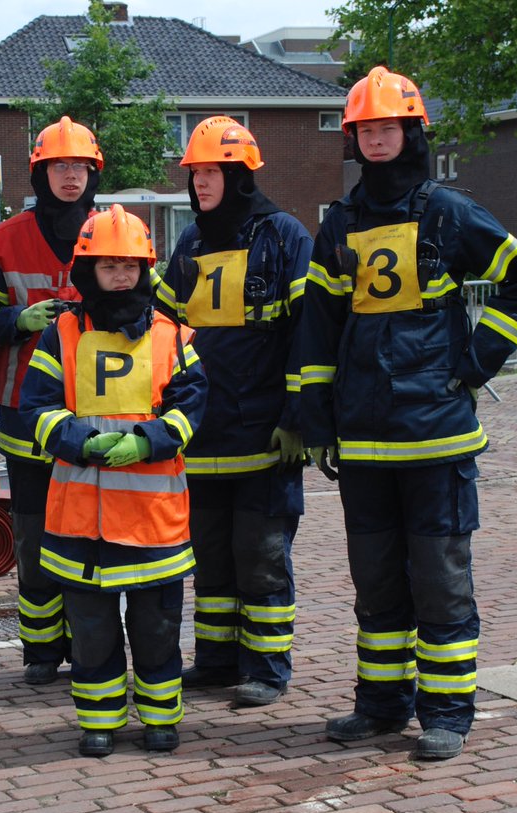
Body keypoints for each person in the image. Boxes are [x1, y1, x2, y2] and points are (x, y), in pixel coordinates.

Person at [299, 67, 517, 760]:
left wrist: (475, 363)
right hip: (366, 438)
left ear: (412, 132)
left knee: (438, 580)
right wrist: (315, 415)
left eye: (389, 127)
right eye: (367, 129)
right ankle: (379, 706)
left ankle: (446, 713)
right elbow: (319, 324)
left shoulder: (450, 211)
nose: (377, 139)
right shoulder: (340, 223)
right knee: (375, 583)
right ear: (354, 139)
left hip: (435, 437)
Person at [19, 205, 208, 757]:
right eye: (109, 265)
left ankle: (159, 718)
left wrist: (146, 441)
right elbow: (38, 408)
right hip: (83, 522)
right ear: (88, 271)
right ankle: (98, 720)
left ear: (146, 268)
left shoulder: (172, 335)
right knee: (93, 632)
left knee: (156, 629)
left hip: (152, 524)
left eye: (130, 264)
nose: (121, 275)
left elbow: (193, 406)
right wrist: (80, 442)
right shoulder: (62, 333)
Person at [156, 116, 313, 707]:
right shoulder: (192, 242)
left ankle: (268, 667)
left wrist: (300, 413)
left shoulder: (284, 235)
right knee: (212, 557)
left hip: (264, 430)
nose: (199, 183)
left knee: (262, 556)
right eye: (194, 173)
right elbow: (163, 328)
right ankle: (218, 661)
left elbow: (307, 330)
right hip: (204, 431)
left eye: (210, 172)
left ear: (240, 175)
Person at [0, 116, 102, 685]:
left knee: (91, 535)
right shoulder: (4, 240)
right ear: (41, 173)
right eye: (58, 167)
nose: (69, 176)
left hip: (99, 411)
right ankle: (42, 652)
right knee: (33, 536)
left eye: (79, 167)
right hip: (25, 417)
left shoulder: (115, 232)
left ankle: (92, 646)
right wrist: (18, 319)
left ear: (92, 175)